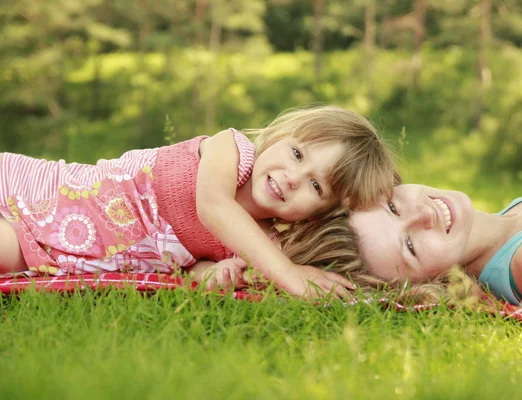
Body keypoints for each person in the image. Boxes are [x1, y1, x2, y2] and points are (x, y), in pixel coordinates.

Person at [0, 105, 398, 298]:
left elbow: (190, 268)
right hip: (37, 201)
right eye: (297, 154)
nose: (293, 178)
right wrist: (289, 273)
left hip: (52, 256)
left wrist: (212, 274)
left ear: (320, 213)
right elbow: (213, 207)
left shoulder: (255, 242)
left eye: (316, 186)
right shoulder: (232, 150)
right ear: (278, 137)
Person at [345, 180, 522, 308]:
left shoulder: (512, 218)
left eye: (392, 207)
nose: (423, 215)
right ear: (424, 283)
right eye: (410, 246)